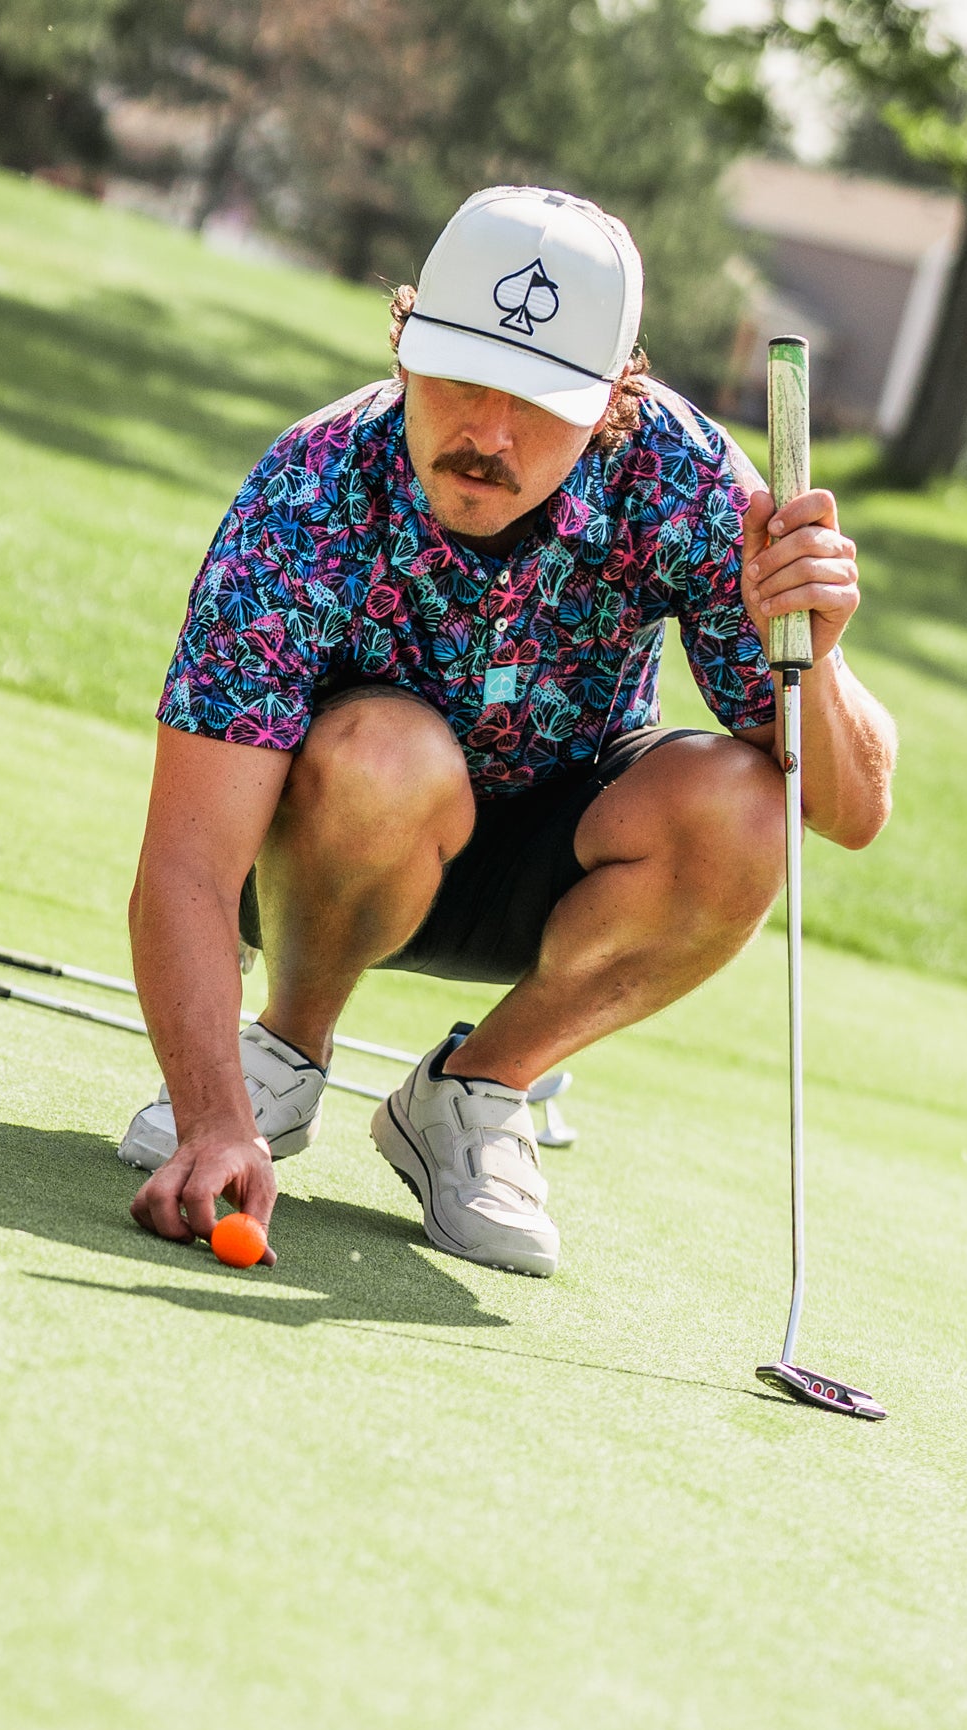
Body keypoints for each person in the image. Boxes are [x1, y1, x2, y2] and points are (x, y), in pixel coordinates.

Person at [120, 184, 896, 1276]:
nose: (488, 434)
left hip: (554, 870)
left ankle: (474, 1091)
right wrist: (210, 1120)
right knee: (387, 757)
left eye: (537, 401)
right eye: (461, 377)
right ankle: (282, 1055)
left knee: (744, 808)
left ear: (612, 402)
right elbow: (188, 865)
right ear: (405, 350)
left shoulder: (687, 482)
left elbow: (849, 814)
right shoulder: (309, 485)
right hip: (320, 859)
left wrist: (817, 652)